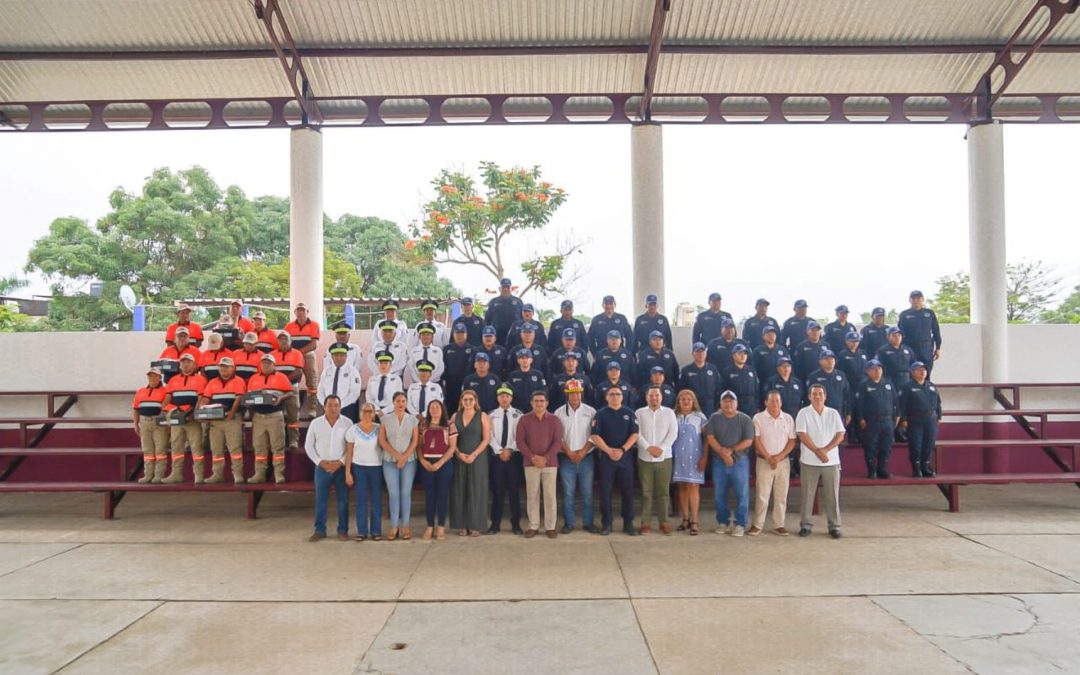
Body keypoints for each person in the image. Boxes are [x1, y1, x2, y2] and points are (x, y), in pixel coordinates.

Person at [795, 384, 846, 538]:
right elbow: (802, 435)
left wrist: (825, 450)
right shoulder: (803, 413)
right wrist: (818, 451)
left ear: (825, 396)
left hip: (831, 461)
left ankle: (834, 526)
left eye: (820, 394)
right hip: (809, 461)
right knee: (807, 495)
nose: (818, 396)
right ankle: (805, 525)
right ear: (809, 397)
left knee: (832, 495)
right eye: (814, 394)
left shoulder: (833, 413)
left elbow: (840, 435)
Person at [589, 387, 640, 536]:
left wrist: (622, 450)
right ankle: (607, 524)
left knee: (627, 492)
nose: (615, 396)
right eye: (612, 394)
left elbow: (635, 434)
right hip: (606, 457)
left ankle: (628, 524)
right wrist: (609, 451)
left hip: (625, 457)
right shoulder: (600, 414)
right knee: (605, 492)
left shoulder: (629, 413)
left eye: (618, 394)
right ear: (606, 397)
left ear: (622, 397)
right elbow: (595, 436)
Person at [705, 391, 755, 537]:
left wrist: (730, 451)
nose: (728, 404)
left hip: (740, 462)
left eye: (731, 401)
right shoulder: (714, 418)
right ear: (720, 404)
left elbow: (749, 441)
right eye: (725, 401)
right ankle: (722, 522)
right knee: (719, 494)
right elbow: (710, 437)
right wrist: (723, 453)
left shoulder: (745, 419)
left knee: (742, 494)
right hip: (719, 462)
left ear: (737, 403)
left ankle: (740, 524)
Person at [516, 390, 563, 538]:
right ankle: (533, 525)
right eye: (536, 401)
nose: (539, 403)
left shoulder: (554, 420)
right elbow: (520, 442)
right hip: (531, 464)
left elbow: (558, 442)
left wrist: (546, 458)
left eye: (542, 401)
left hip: (550, 464)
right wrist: (533, 457)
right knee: (532, 495)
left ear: (547, 403)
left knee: (550, 495)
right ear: (531, 403)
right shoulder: (524, 420)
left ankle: (550, 526)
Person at [304, 395, 351, 542]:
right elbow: (308, 446)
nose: (333, 408)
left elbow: (351, 447)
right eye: (330, 405)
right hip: (322, 468)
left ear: (340, 407)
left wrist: (341, 462)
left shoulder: (348, 423)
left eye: (336, 405)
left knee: (343, 500)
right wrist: (320, 462)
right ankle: (319, 530)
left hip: (340, 467)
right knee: (321, 500)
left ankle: (343, 530)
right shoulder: (316, 423)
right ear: (324, 407)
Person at [750, 390, 796, 536]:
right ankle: (757, 524)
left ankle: (779, 525)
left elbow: (792, 441)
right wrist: (769, 457)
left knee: (781, 495)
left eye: (777, 401)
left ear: (781, 403)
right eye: (771, 401)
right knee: (762, 495)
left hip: (783, 462)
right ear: (765, 402)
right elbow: (756, 440)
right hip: (764, 461)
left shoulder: (788, 418)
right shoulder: (758, 418)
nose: (775, 403)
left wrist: (779, 457)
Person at [555, 378, 597, 534]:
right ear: (567, 394)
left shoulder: (591, 411)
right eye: (572, 393)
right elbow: (557, 438)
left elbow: (595, 436)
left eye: (578, 393)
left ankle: (588, 522)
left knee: (587, 492)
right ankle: (569, 523)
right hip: (567, 458)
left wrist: (583, 451)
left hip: (586, 457)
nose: (575, 396)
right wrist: (570, 453)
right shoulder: (558, 412)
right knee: (568, 492)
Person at [635, 386, 677, 535]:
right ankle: (645, 523)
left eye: (657, 395)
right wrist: (648, 447)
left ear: (661, 397)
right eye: (651, 395)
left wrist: (662, 448)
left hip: (664, 458)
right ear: (646, 397)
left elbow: (673, 433)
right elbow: (636, 434)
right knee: (646, 492)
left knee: (663, 492)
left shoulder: (669, 413)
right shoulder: (639, 413)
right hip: (644, 458)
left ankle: (664, 522)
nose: (654, 398)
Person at [449, 389, 492, 536]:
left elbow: (486, 439)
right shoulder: (455, 416)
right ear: (461, 401)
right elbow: (451, 438)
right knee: (460, 490)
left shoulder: (483, 416)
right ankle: (462, 525)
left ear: (475, 401)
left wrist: (473, 454)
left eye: (470, 399)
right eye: (465, 399)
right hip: (459, 456)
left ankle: (476, 525)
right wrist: (459, 454)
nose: (467, 402)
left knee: (477, 490)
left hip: (477, 457)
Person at [197, 356, 246, 484]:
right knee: (216, 449)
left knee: (235, 449)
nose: (223, 369)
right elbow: (205, 399)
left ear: (233, 368)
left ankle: (238, 475)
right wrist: (203, 414)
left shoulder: (239, 381)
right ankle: (217, 474)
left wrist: (232, 412)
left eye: (226, 366)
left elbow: (239, 398)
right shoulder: (212, 382)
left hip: (232, 420)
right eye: (221, 366)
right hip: (215, 421)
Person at [245, 353, 293, 483]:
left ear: (274, 365)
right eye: (263, 363)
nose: (266, 365)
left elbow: (290, 393)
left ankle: (279, 474)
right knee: (259, 447)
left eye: (268, 363)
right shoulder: (254, 378)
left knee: (278, 447)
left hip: (275, 415)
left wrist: (281, 398)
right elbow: (249, 397)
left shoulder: (282, 377)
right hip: (258, 417)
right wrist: (251, 413)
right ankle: (259, 474)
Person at [378, 391, 419, 541]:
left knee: (405, 493)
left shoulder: (413, 419)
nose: (400, 404)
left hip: (409, 461)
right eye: (398, 401)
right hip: (390, 460)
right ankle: (394, 526)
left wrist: (404, 456)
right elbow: (382, 441)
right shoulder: (385, 419)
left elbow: (415, 441)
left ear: (406, 403)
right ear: (393, 402)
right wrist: (397, 456)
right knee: (393, 493)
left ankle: (406, 525)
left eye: (403, 401)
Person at [160, 353, 207, 484]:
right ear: (179, 365)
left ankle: (198, 475)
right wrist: (163, 412)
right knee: (176, 447)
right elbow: (168, 398)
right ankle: (176, 474)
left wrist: (195, 413)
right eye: (183, 362)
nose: (186, 365)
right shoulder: (173, 380)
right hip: (176, 418)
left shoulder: (201, 380)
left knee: (196, 447)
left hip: (192, 420)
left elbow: (201, 399)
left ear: (194, 365)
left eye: (189, 362)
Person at [487, 384, 525, 534]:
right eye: (501, 396)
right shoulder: (490, 415)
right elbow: (488, 435)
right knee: (497, 492)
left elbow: (521, 436)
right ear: (497, 398)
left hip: (513, 456)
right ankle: (494, 524)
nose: (504, 398)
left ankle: (516, 524)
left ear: (511, 398)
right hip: (497, 457)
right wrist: (499, 450)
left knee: (514, 492)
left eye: (507, 396)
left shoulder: (519, 414)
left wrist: (509, 449)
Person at [344, 402, 384, 541]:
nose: (367, 414)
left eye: (370, 411)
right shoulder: (353, 430)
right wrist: (348, 472)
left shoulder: (380, 429)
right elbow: (349, 452)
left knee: (376, 500)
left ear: (374, 414)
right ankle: (361, 531)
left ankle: (376, 531)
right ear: (360, 413)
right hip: (359, 468)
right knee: (361, 500)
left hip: (376, 468)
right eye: (364, 411)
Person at [853, 359, 899, 479]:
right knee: (871, 446)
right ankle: (872, 470)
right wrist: (861, 419)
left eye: (879, 368)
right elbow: (859, 404)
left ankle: (882, 469)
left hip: (888, 420)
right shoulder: (864, 385)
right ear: (868, 371)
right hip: (871, 420)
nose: (877, 370)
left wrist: (897, 416)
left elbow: (895, 401)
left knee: (886, 446)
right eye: (874, 368)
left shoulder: (888, 383)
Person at [672, 389, 708, 535]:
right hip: (678, 456)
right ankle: (685, 519)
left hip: (695, 456)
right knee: (681, 486)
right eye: (683, 399)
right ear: (678, 402)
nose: (686, 401)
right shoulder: (673, 416)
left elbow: (707, 439)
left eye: (689, 399)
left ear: (693, 401)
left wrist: (705, 457)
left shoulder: (700, 417)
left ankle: (694, 521)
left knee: (693, 486)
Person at [417, 399, 455, 541]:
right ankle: (429, 525)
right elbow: (419, 445)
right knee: (430, 495)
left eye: (437, 407)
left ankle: (441, 526)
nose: (434, 409)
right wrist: (422, 460)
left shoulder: (449, 425)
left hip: (443, 463)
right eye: (431, 407)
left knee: (442, 495)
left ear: (442, 409)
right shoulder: (423, 424)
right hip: (427, 462)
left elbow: (452, 447)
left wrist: (440, 463)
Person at [899, 362, 943, 477]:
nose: (922, 372)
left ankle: (925, 466)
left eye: (924, 370)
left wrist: (939, 416)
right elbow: (902, 405)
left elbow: (938, 403)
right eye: (919, 370)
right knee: (916, 444)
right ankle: (916, 467)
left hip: (930, 419)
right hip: (915, 419)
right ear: (912, 373)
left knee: (929, 444)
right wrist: (903, 419)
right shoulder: (907, 387)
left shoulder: (932, 386)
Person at [132, 366, 169, 483]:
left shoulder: (166, 392)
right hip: (144, 422)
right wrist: (135, 424)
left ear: (160, 377)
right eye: (150, 375)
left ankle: (159, 475)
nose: (152, 378)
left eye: (154, 375)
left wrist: (168, 426)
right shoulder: (140, 391)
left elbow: (167, 409)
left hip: (159, 422)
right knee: (147, 450)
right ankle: (148, 475)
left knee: (160, 449)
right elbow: (135, 409)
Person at [284, 302, 320, 419]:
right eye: (298, 310)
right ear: (295, 313)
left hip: (308, 355)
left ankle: (312, 409)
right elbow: (286, 343)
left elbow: (314, 344)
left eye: (303, 310)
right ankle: (292, 409)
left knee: (312, 383)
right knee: (292, 381)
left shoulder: (314, 325)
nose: (300, 313)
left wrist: (300, 352)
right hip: (293, 357)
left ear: (307, 312)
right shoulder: (289, 326)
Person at [270, 332, 304, 450]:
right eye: (280, 339)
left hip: (292, 387)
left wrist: (284, 381)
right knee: (276, 416)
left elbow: (299, 371)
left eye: (286, 339)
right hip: (275, 389)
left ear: (291, 341)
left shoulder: (297, 353)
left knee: (293, 415)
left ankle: (293, 440)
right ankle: (279, 441)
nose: (283, 341)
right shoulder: (271, 355)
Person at [898, 290, 942, 375]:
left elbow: (936, 330)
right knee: (910, 372)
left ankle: (926, 387)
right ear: (910, 300)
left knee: (926, 372)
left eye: (918, 298)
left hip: (926, 348)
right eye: (913, 298)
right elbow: (900, 333)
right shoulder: (904, 314)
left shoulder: (929, 313)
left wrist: (938, 348)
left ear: (922, 299)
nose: (916, 301)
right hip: (910, 347)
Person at [805, 350, 852, 426]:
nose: (830, 361)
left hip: (838, 411)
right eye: (826, 359)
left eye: (832, 359)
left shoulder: (841, 375)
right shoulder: (814, 377)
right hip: (820, 411)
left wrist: (849, 413)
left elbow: (847, 395)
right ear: (820, 361)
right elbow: (808, 397)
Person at [317, 345, 362, 422]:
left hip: (347, 408)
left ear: (346, 356)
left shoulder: (353, 371)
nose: (338, 358)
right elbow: (320, 391)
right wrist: (327, 405)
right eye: (336, 355)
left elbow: (355, 393)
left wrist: (338, 406)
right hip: (328, 409)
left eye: (341, 355)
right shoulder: (326, 371)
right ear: (331, 356)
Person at [678, 342, 722, 414]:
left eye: (702, 352)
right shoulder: (686, 370)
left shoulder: (713, 369)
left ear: (706, 353)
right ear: (692, 354)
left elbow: (718, 389)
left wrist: (718, 406)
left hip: (710, 406)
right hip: (692, 406)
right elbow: (681, 390)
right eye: (697, 352)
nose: (700, 354)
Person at [442, 324, 475, 411]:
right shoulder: (446, 349)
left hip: (467, 383)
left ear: (466, 335)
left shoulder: (473, 349)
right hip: (451, 384)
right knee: (450, 407)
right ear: (453, 335)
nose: (459, 336)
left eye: (462, 333)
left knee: (466, 408)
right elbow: (443, 367)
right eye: (457, 333)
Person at [721, 344, 759, 418]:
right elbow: (723, 390)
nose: (743, 356)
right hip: (735, 405)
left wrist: (757, 406)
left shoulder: (751, 370)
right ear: (733, 355)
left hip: (751, 406)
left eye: (745, 354)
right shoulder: (727, 371)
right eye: (740, 353)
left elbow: (756, 390)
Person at [506, 348, 547, 413]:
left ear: (531, 360)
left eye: (527, 358)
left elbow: (543, 391)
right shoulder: (513, 375)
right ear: (518, 360)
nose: (524, 360)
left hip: (534, 407)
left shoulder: (538, 374)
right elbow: (509, 392)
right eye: (522, 358)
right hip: (517, 408)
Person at [366, 350, 404, 416]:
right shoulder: (372, 379)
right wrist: (377, 410)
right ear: (377, 365)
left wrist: (384, 411)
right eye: (380, 363)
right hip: (374, 412)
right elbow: (369, 397)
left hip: (391, 412)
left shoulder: (396, 379)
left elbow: (398, 398)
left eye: (386, 363)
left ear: (391, 365)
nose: (383, 366)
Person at [486, 278, 523, 345]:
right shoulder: (493, 302)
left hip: (515, 337)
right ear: (500, 288)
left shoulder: (518, 302)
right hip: (498, 338)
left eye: (507, 287)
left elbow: (523, 320)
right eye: (504, 287)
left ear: (511, 288)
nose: (505, 289)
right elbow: (487, 321)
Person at [877, 326, 915, 391]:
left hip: (906, 379)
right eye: (894, 335)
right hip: (891, 380)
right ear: (888, 337)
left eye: (899, 335)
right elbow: (879, 366)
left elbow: (913, 365)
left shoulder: (908, 350)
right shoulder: (883, 351)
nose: (897, 338)